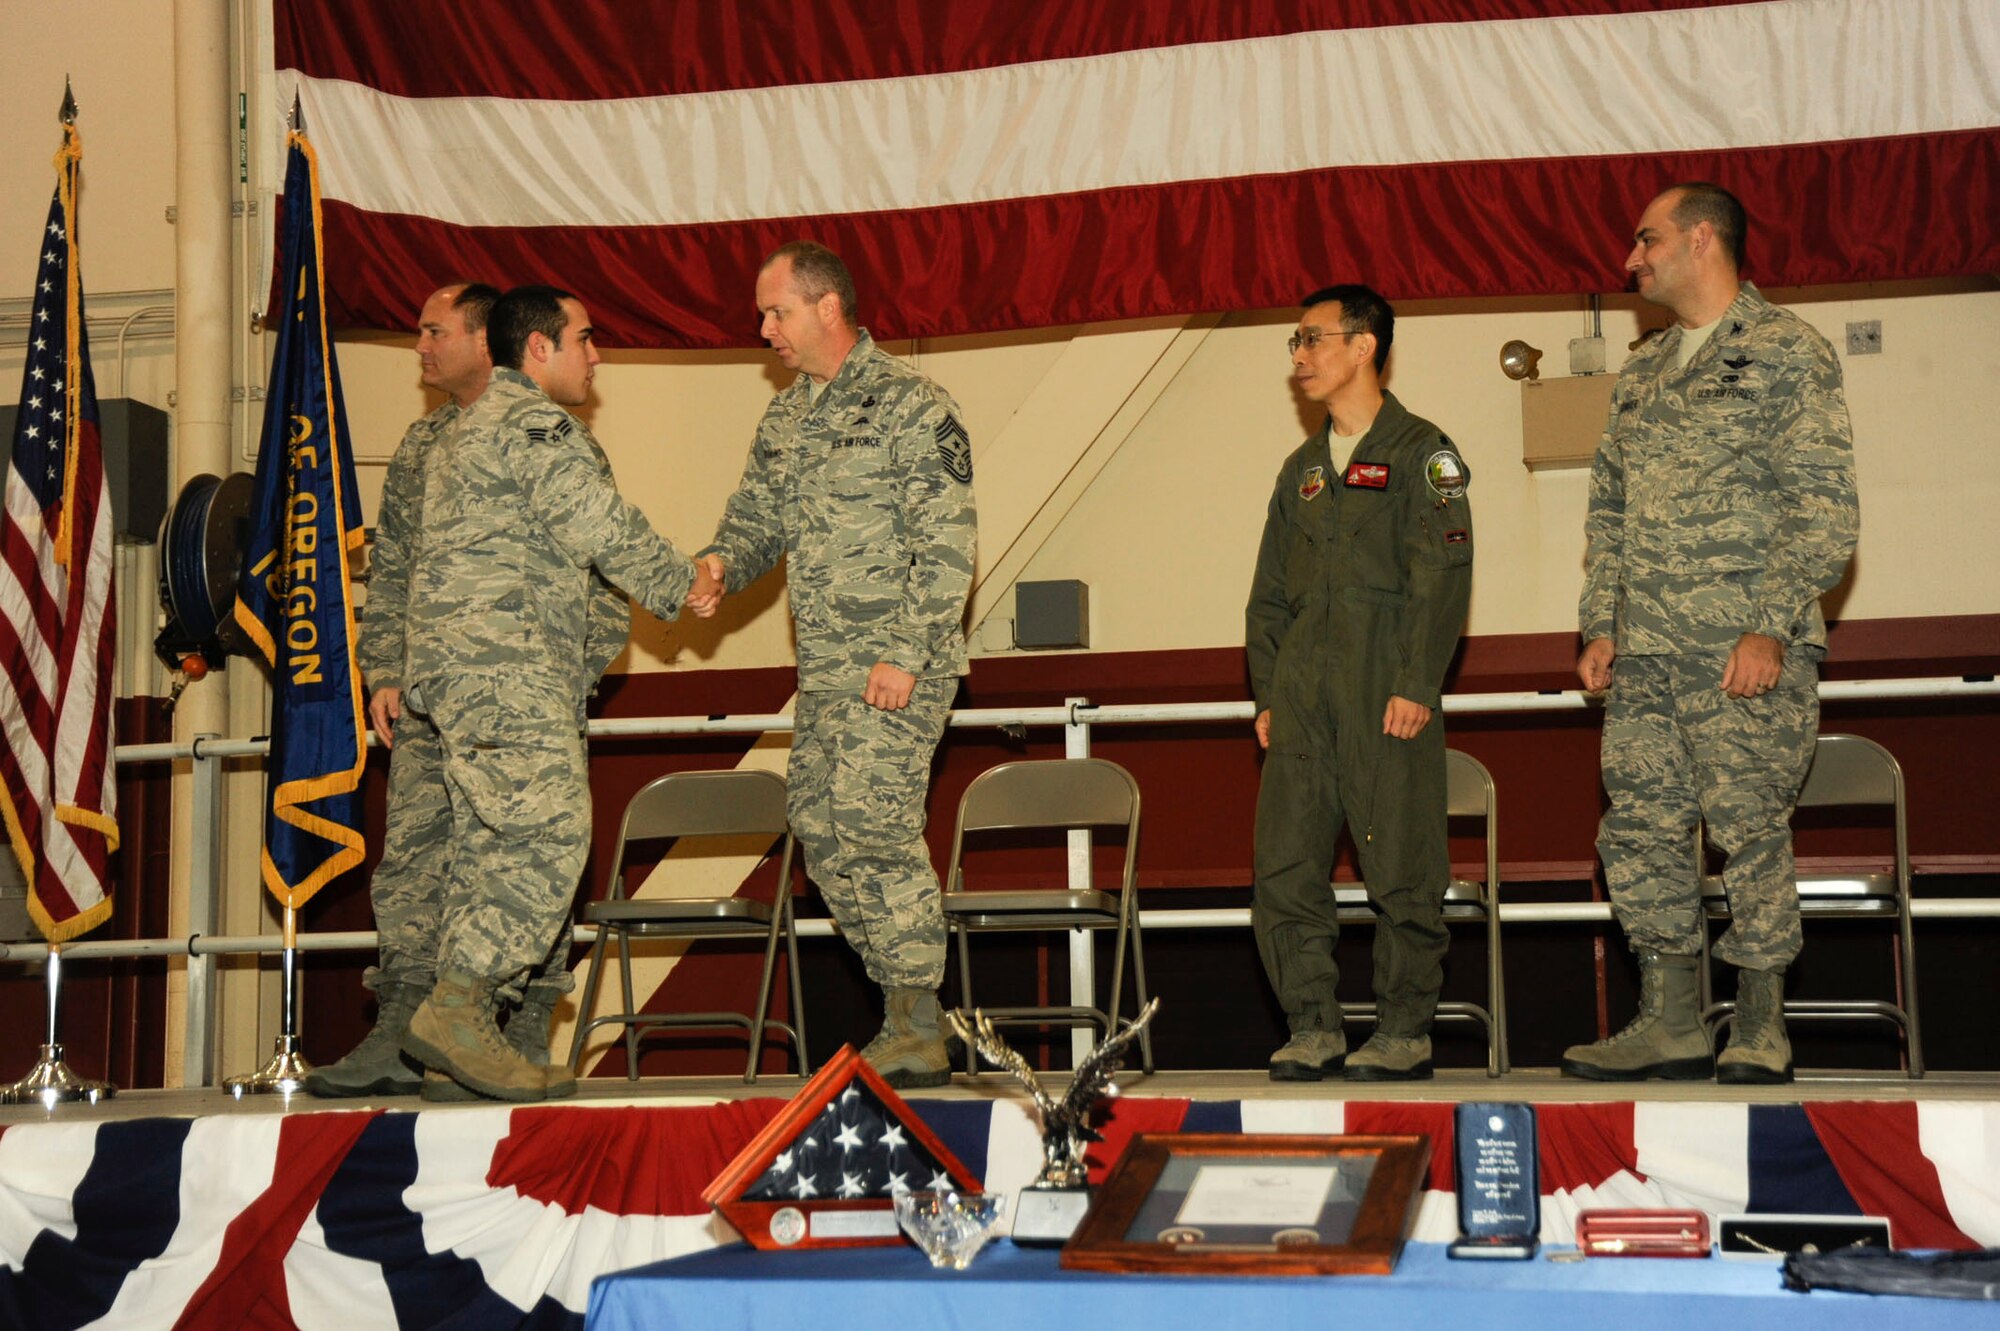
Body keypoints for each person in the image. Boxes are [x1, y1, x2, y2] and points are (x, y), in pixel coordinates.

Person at [383, 284, 719, 1101]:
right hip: (504, 670)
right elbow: (599, 524)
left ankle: (461, 1047)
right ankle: (459, 1005)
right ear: (538, 349)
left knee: (489, 849)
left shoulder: (467, 429)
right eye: (585, 338)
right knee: (552, 835)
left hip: (470, 674)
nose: (595, 355)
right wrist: (684, 583)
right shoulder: (532, 423)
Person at [1562, 183, 1859, 1085]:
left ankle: (1762, 1022)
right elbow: (1607, 507)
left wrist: (1770, 626)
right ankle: (1672, 1019)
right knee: (1643, 830)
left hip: (1741, 651)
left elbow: (1823, 506)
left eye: (1646, 240)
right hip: (1644, 655)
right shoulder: (1645, 369)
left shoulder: (1786, 352)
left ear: (1700, 240)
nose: (1631, 259)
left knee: (1749, 827)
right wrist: (1600, 625)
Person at [689, 242, 976, 1089]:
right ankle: (904, 1003)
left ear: (827, 307)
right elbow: (753, 523)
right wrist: (717, 565)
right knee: (820, 827)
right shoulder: (788, 417)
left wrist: (906, 654)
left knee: (876, 823)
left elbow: (949, 544)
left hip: (896, 665)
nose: (763, 328)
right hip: (826, 674)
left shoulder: (911, 404)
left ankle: (919, 1017)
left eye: (774, 311)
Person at [1244, 284, 1474, 1082]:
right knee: (1284, 869)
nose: (1299, 356)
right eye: (1295, 342)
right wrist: (1270, 693)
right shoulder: (1299, 469)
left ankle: (1404, 1029)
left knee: (1404, 867)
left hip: (1387, 688)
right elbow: (1269, 593)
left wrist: (1418, 679)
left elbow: (1442, 571)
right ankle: (1312, 1024)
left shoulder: (1421, 451)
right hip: (1304, 697)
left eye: (1312, 338)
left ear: (1364, 344)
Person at [306, 281, 499, 1099]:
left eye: (433, 330)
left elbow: (588, 582)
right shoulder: (421, 446)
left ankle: (490, 1030)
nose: (419, 345)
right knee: (411, 866)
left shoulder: (539, 435)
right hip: (424, 705)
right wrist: (383, 670)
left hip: (505, 704)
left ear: (485, 338)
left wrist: (571, 681)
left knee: (503, 867)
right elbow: (391, 576)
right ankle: (397, 1031)